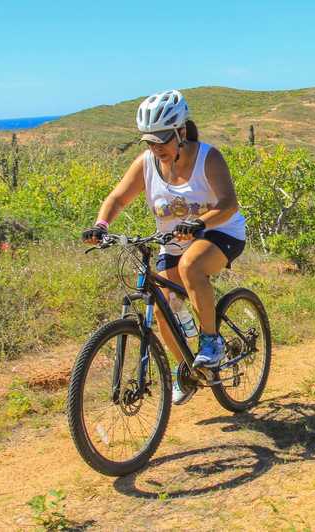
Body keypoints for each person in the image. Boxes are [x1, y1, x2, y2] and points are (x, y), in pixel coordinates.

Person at [81, 89, 247, 405]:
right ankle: (185, 369)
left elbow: (228, 203)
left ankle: (211, 341)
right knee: (161, 306)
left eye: (162, 139)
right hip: (173, 241)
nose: (156, 147)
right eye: (150, 141)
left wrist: (200, 222)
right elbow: (117, 198)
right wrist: (101, 225)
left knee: (191, 268)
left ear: (180, 132)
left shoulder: (208, 158)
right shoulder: (147, 163)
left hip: (220, 232)